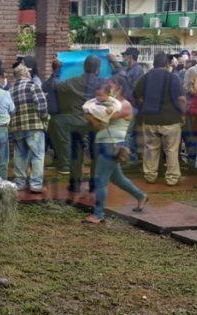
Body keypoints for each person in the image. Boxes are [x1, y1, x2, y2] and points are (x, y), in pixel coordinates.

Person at [85, 77, 147, 224]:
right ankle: (141, 196)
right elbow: (96, 122)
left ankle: (98, 214)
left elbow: (101, 120)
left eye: (110, 86)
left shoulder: (124, 105)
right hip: (102, 143)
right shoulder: (106, 104)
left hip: (112, 145)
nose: (106, 89)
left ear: (119, 88)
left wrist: (89, 113)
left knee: (100, 179)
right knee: (117, 178)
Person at [134, 53, 187, 186]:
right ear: (167, 64)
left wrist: (144, 108)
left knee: (151, 149)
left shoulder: (145, 77)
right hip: (171, 120)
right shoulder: (173, 77)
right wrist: (183, 114)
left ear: (154, 63)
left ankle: (150, 175)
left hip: (150, 120)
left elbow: (136, 96)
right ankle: (172, 178)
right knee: (171, 150)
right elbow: (182, 99)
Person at [53, 55, 102, 192]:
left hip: (76, 122)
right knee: (96, 155)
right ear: (97, 70)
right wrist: (115, 64)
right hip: (95, 122)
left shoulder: (73, 82)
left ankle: (75, 185)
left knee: (76, 154)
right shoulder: (101, 84)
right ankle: (94, 185)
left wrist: (57, 70)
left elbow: (56, 85)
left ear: (84, 67)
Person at [9, 64, 48, 192]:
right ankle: (36, 185)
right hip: (34, 126)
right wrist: (45, 118)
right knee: (37, 155)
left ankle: (19, 183)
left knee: (20, 155)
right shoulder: (32, 85)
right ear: (26, 74)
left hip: (17, 126)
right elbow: (42, 105)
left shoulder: (11, 90)